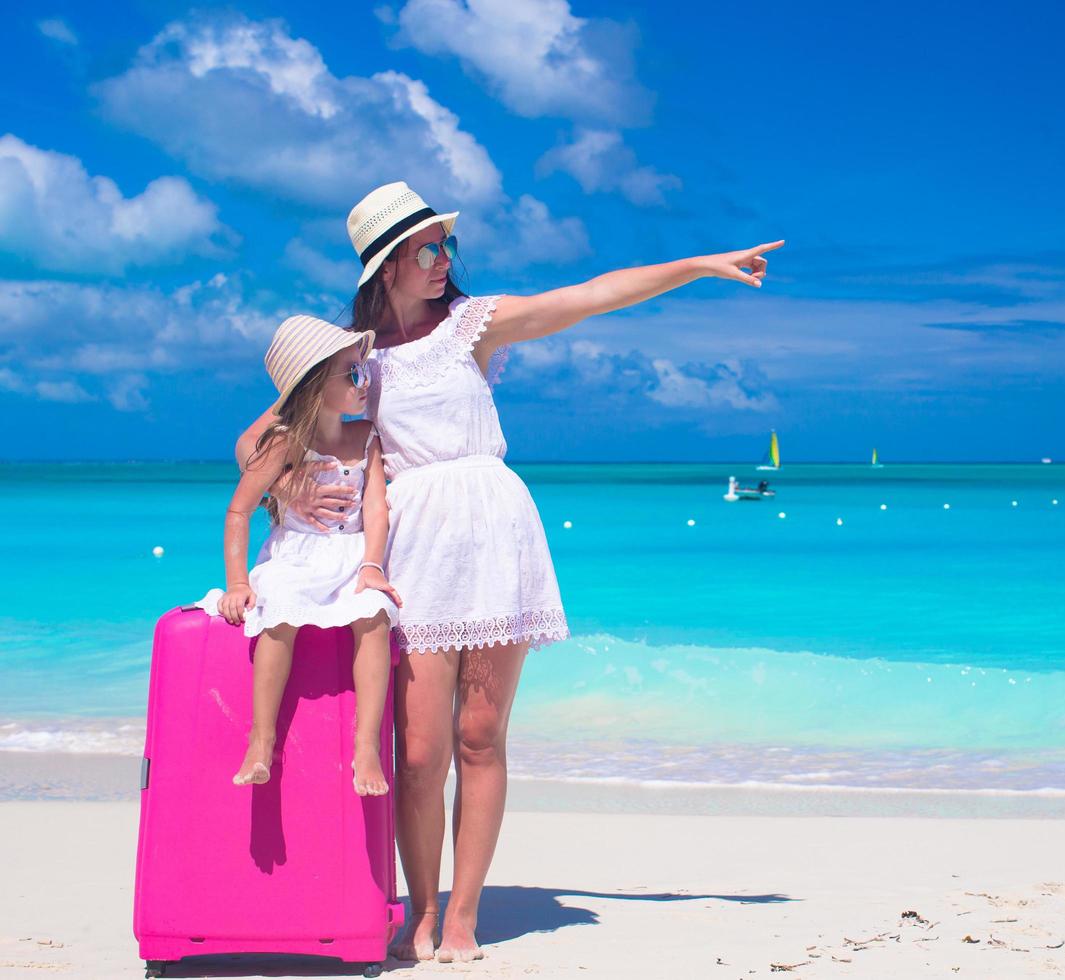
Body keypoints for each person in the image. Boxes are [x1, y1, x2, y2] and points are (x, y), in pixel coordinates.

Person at [238, 181, 781, 962]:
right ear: (386, 265)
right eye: (428, 248)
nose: (444, 259)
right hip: (410, 547)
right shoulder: (352, 357)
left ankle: (462, 916)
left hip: (494, 531)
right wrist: (287, 483)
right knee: (418, 751)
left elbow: (590, 296)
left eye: (447, 246)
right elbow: (256, 439)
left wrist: (703, 264)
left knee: (481, 735)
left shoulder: (473, 325)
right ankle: (419, 909)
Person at [220, 316, 402, 797]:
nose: (364, 380)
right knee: (277, 604)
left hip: (349, 557)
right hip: (295, 557)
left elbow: (376, 507)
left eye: (362, 371)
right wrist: (238, 582)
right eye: (353, 373)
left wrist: (372, 564)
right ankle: (261, 740)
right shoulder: (282, 444)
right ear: (315, 386)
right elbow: (238, 510)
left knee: (375, 614)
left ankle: (366, 747)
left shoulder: (365, 435)